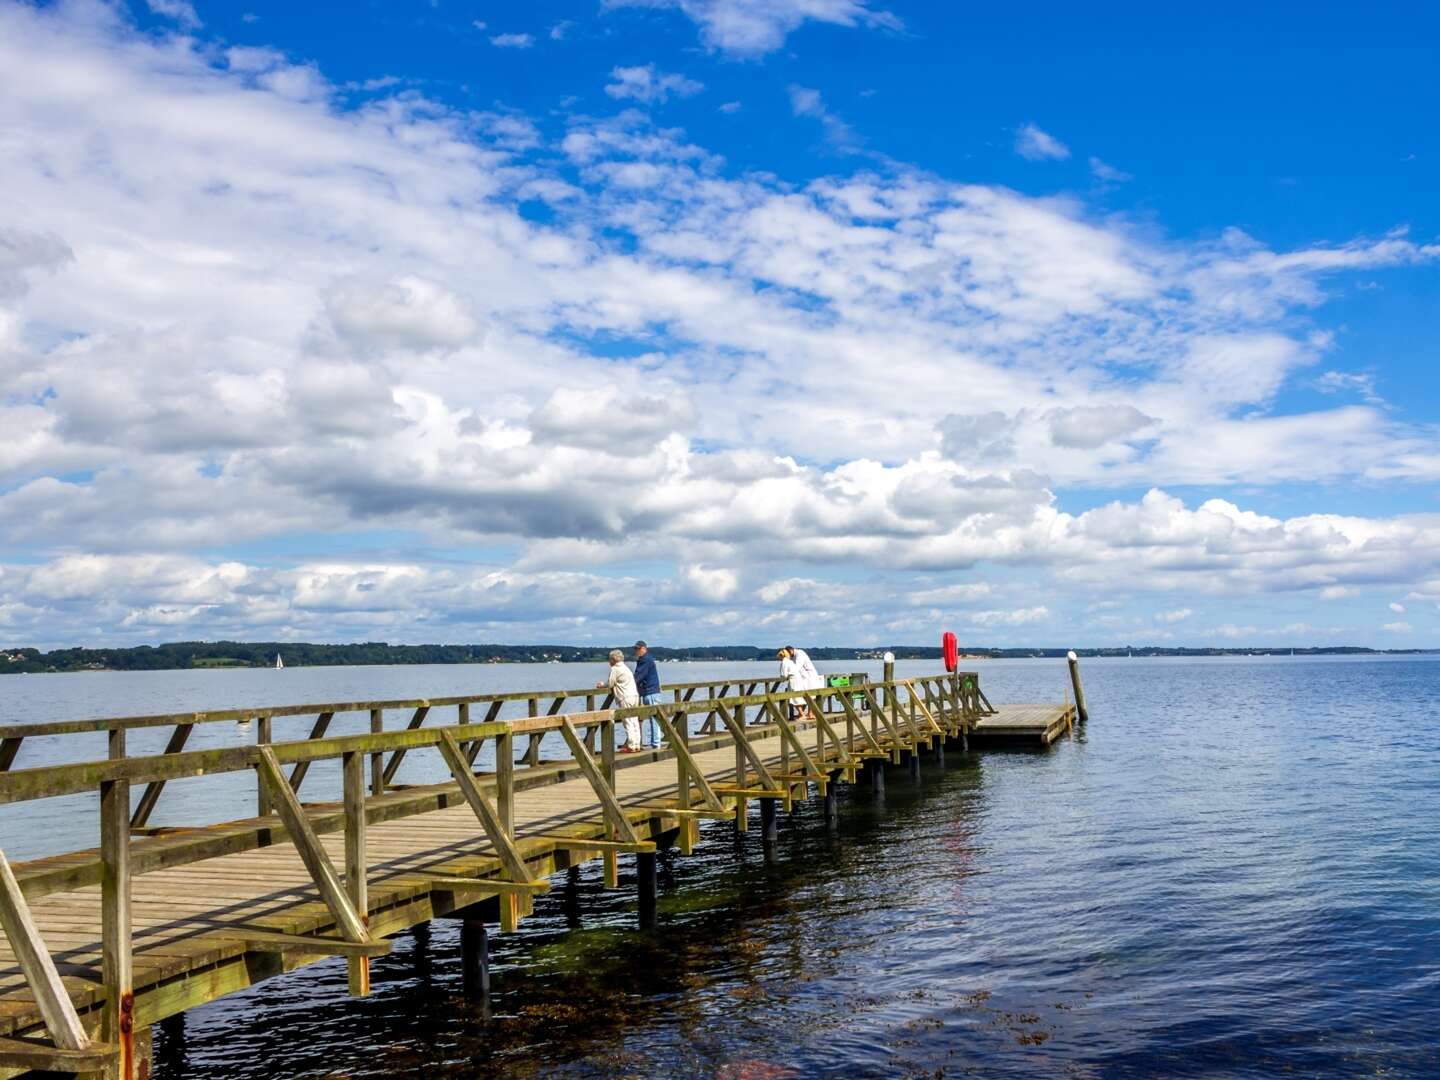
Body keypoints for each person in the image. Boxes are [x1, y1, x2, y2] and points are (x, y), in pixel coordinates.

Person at [596, 649, 642, 752]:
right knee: (634, 720)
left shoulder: (615, 669)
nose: (609, 662)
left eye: (609, 659)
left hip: (625, 697)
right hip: (634, 696)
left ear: (613, 660)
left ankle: (631, 746)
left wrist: (601, 685)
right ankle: (637, 744)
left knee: (628, 721)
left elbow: (611, 683)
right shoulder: (625, 667)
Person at [633, 640, 664, 749]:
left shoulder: (645, 660)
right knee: (654, 718)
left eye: (638, 649)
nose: (636, 651)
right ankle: (655, 743)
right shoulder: (646, 659)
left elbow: (638, 677)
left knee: (654, 719)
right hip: (650, 691)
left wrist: (628, 683)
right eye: (636, 649)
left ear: (644, 648)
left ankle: (656, 744)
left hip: (651, 692)